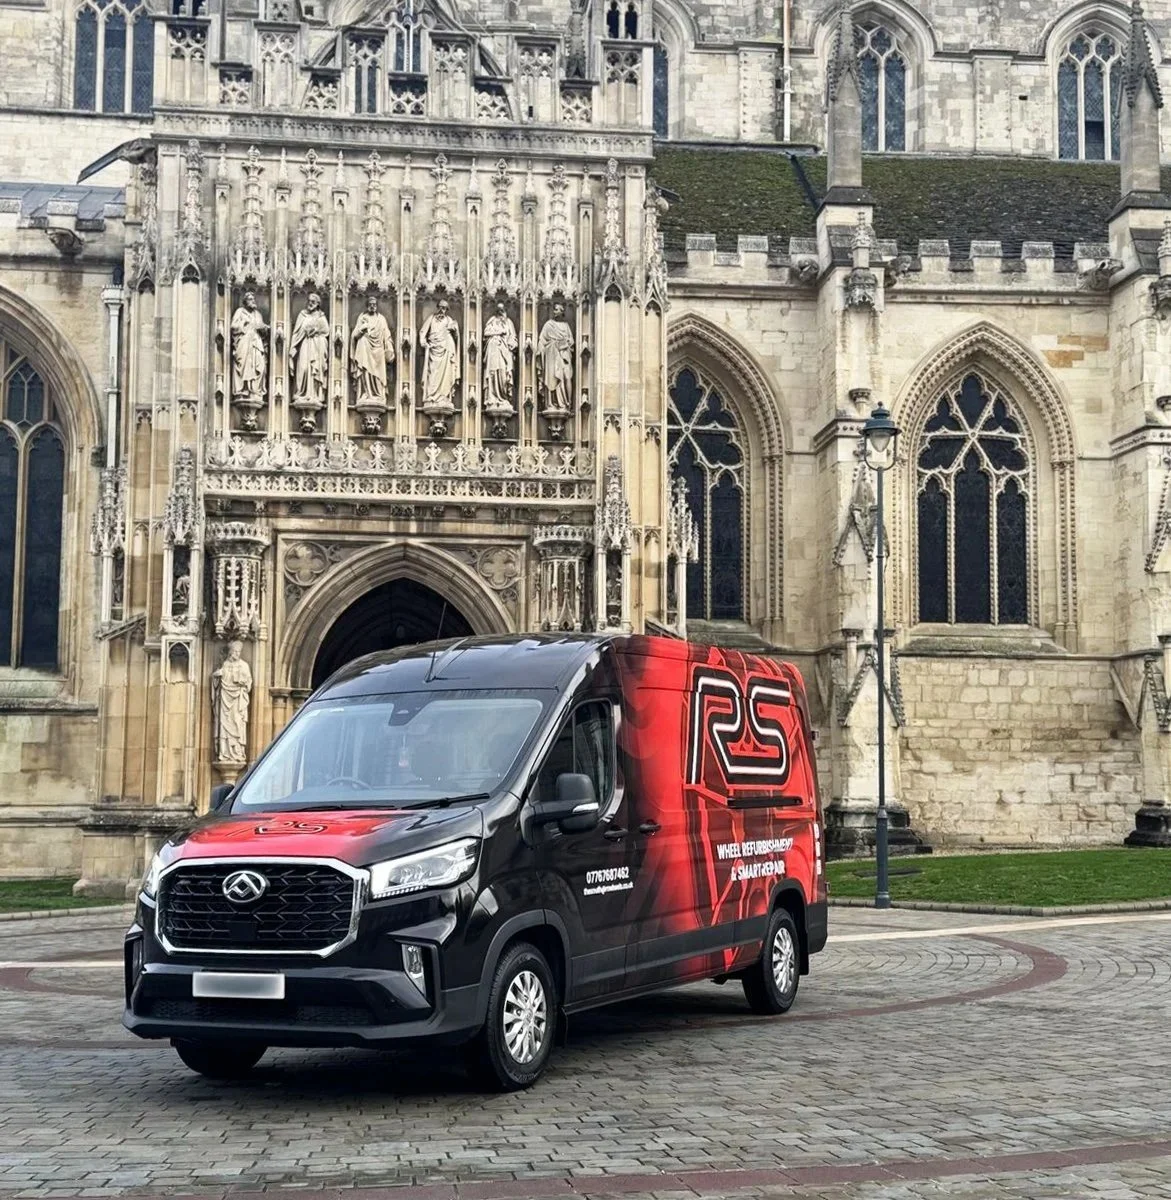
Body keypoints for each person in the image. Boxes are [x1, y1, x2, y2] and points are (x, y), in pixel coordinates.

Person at [350, 295, 395, 406]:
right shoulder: (362, 318)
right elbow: (354, 335)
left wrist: (389, 349)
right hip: (365, 349)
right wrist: (362, 329)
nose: (372, 307)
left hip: (378, 351)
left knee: (378, 374)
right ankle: (365, 393)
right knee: (363, 346)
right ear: (367, 306)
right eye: (370, 305)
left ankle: (378, 394)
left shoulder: (381, 319)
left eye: (374, 305)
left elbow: (387, 336)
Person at [211, 641, 252, 765]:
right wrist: (216, 676)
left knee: (237, 723)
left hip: (238, 700)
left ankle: (237, 752)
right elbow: (218, 679)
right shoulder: (225, 665)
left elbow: (248, 682)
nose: (237, 654)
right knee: (224, 725)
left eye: (238, 652)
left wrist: (242, 682)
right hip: (225, 700)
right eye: (235, 652)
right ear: (230, 652)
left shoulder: (244, 665)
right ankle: (224, 753)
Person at [289, 292, 330, 412]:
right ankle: (301, 393)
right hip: (305, 345)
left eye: (313, 302)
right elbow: (296, 333)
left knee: (314, 371)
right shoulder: (302, 315)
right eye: (309, 301)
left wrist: (316, 331)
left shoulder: (321, 316)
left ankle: (314, 395)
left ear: (318, 304)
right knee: (303, 369)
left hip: (317, 347)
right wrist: (293, 346)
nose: (310, 304)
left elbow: (326, 331)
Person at [419, 298, 460, 412]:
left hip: (446, 348)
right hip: (434, 349)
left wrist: (455, 330)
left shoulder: (449, 319)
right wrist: (424, 342)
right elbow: (423, 331)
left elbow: (456, 336)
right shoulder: (431, 318)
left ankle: (444, 397)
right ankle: (431, 396)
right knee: (433, 373)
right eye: (441, 308)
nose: (443, 310)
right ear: (438, 307)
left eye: (445, 309)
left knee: (446, 374)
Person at [230, 292, 268, 406]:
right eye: (250, 299)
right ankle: (243, 391)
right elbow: (233, 327)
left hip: (256, 342)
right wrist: (243, 323)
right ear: (245, 301)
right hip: (245, 342)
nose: (253, 301)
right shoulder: (240, 312)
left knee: (260, 366)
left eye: (253, 299)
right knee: (245, 364)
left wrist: (264, 329)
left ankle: (255, 391)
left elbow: (262, 329)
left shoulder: (258, 314)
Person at [536, 303, 574, 413]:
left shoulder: (566, 326)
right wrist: (541, 350)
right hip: (551, 356)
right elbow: (542, 340)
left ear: (562, 311)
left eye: (557, 309)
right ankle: (550, 403)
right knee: (551, 376)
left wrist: (563, 344)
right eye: (554, 309)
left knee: (566, 377)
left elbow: (571, 341)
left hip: (563, 355)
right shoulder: (548, 324)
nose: (554, 312)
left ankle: (567, 403)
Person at [482, 302, 517, 416]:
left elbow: (513, 338)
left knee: (503, 374)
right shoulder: (492, 320)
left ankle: (503, 397)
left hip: (504, 353)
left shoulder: (508, 323)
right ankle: (492, 398)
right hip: (493, 352)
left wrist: (513, 344)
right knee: (492, 374)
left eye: (502, 310)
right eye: (499, 310)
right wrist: (498, 332)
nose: (500, 312)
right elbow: (486, 333)